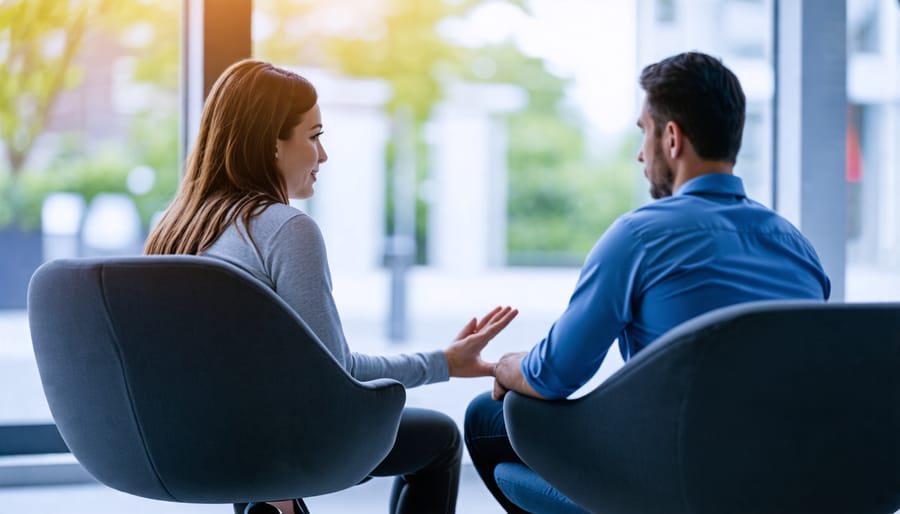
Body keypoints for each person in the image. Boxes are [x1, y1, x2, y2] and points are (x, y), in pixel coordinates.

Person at [144, 59, 518, 514]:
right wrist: (441, 363)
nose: (323, 156)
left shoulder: (174, 229)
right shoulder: (284, 229)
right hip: (274, 446)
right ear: (271, 144)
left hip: (187, 442)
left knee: (256, 415)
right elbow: (336, 373)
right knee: (438, 438)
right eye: (314, 136)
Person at [464, 51, 832, 513]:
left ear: (672, 138)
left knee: (487, 417)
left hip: (666, 486)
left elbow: (554, 376)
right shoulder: (798, 250)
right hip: (780, 485)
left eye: (645, 132)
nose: (641, 153)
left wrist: (504, 366)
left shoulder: (639, 237)